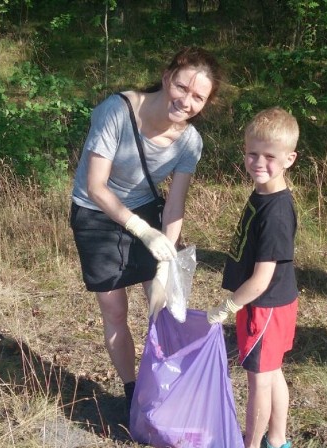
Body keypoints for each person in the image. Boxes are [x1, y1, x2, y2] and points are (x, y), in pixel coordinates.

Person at [70, 47, 222, 414]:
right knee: (115, 311)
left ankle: (162, 385)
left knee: (163, 305)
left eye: (198, 97)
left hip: (145, 211)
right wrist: (140, 229)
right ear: (168, 76)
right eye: (182, 87)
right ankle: (131, 391)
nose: (186, 101)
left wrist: (167, 253)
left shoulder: (190, 142)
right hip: (96, 215)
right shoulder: (116, 111)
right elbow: (96, 186)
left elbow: (174, 205)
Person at [207, 107, 299, 448]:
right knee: (272, 371)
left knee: (259, 378)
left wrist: (228, 307)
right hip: (268, 304)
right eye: (252, 153)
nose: (258, 162)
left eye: (270, 156)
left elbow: (261, 278)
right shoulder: (263, 194)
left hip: (263, 305)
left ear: (289, 159)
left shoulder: (276, 212)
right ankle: (277, 440)